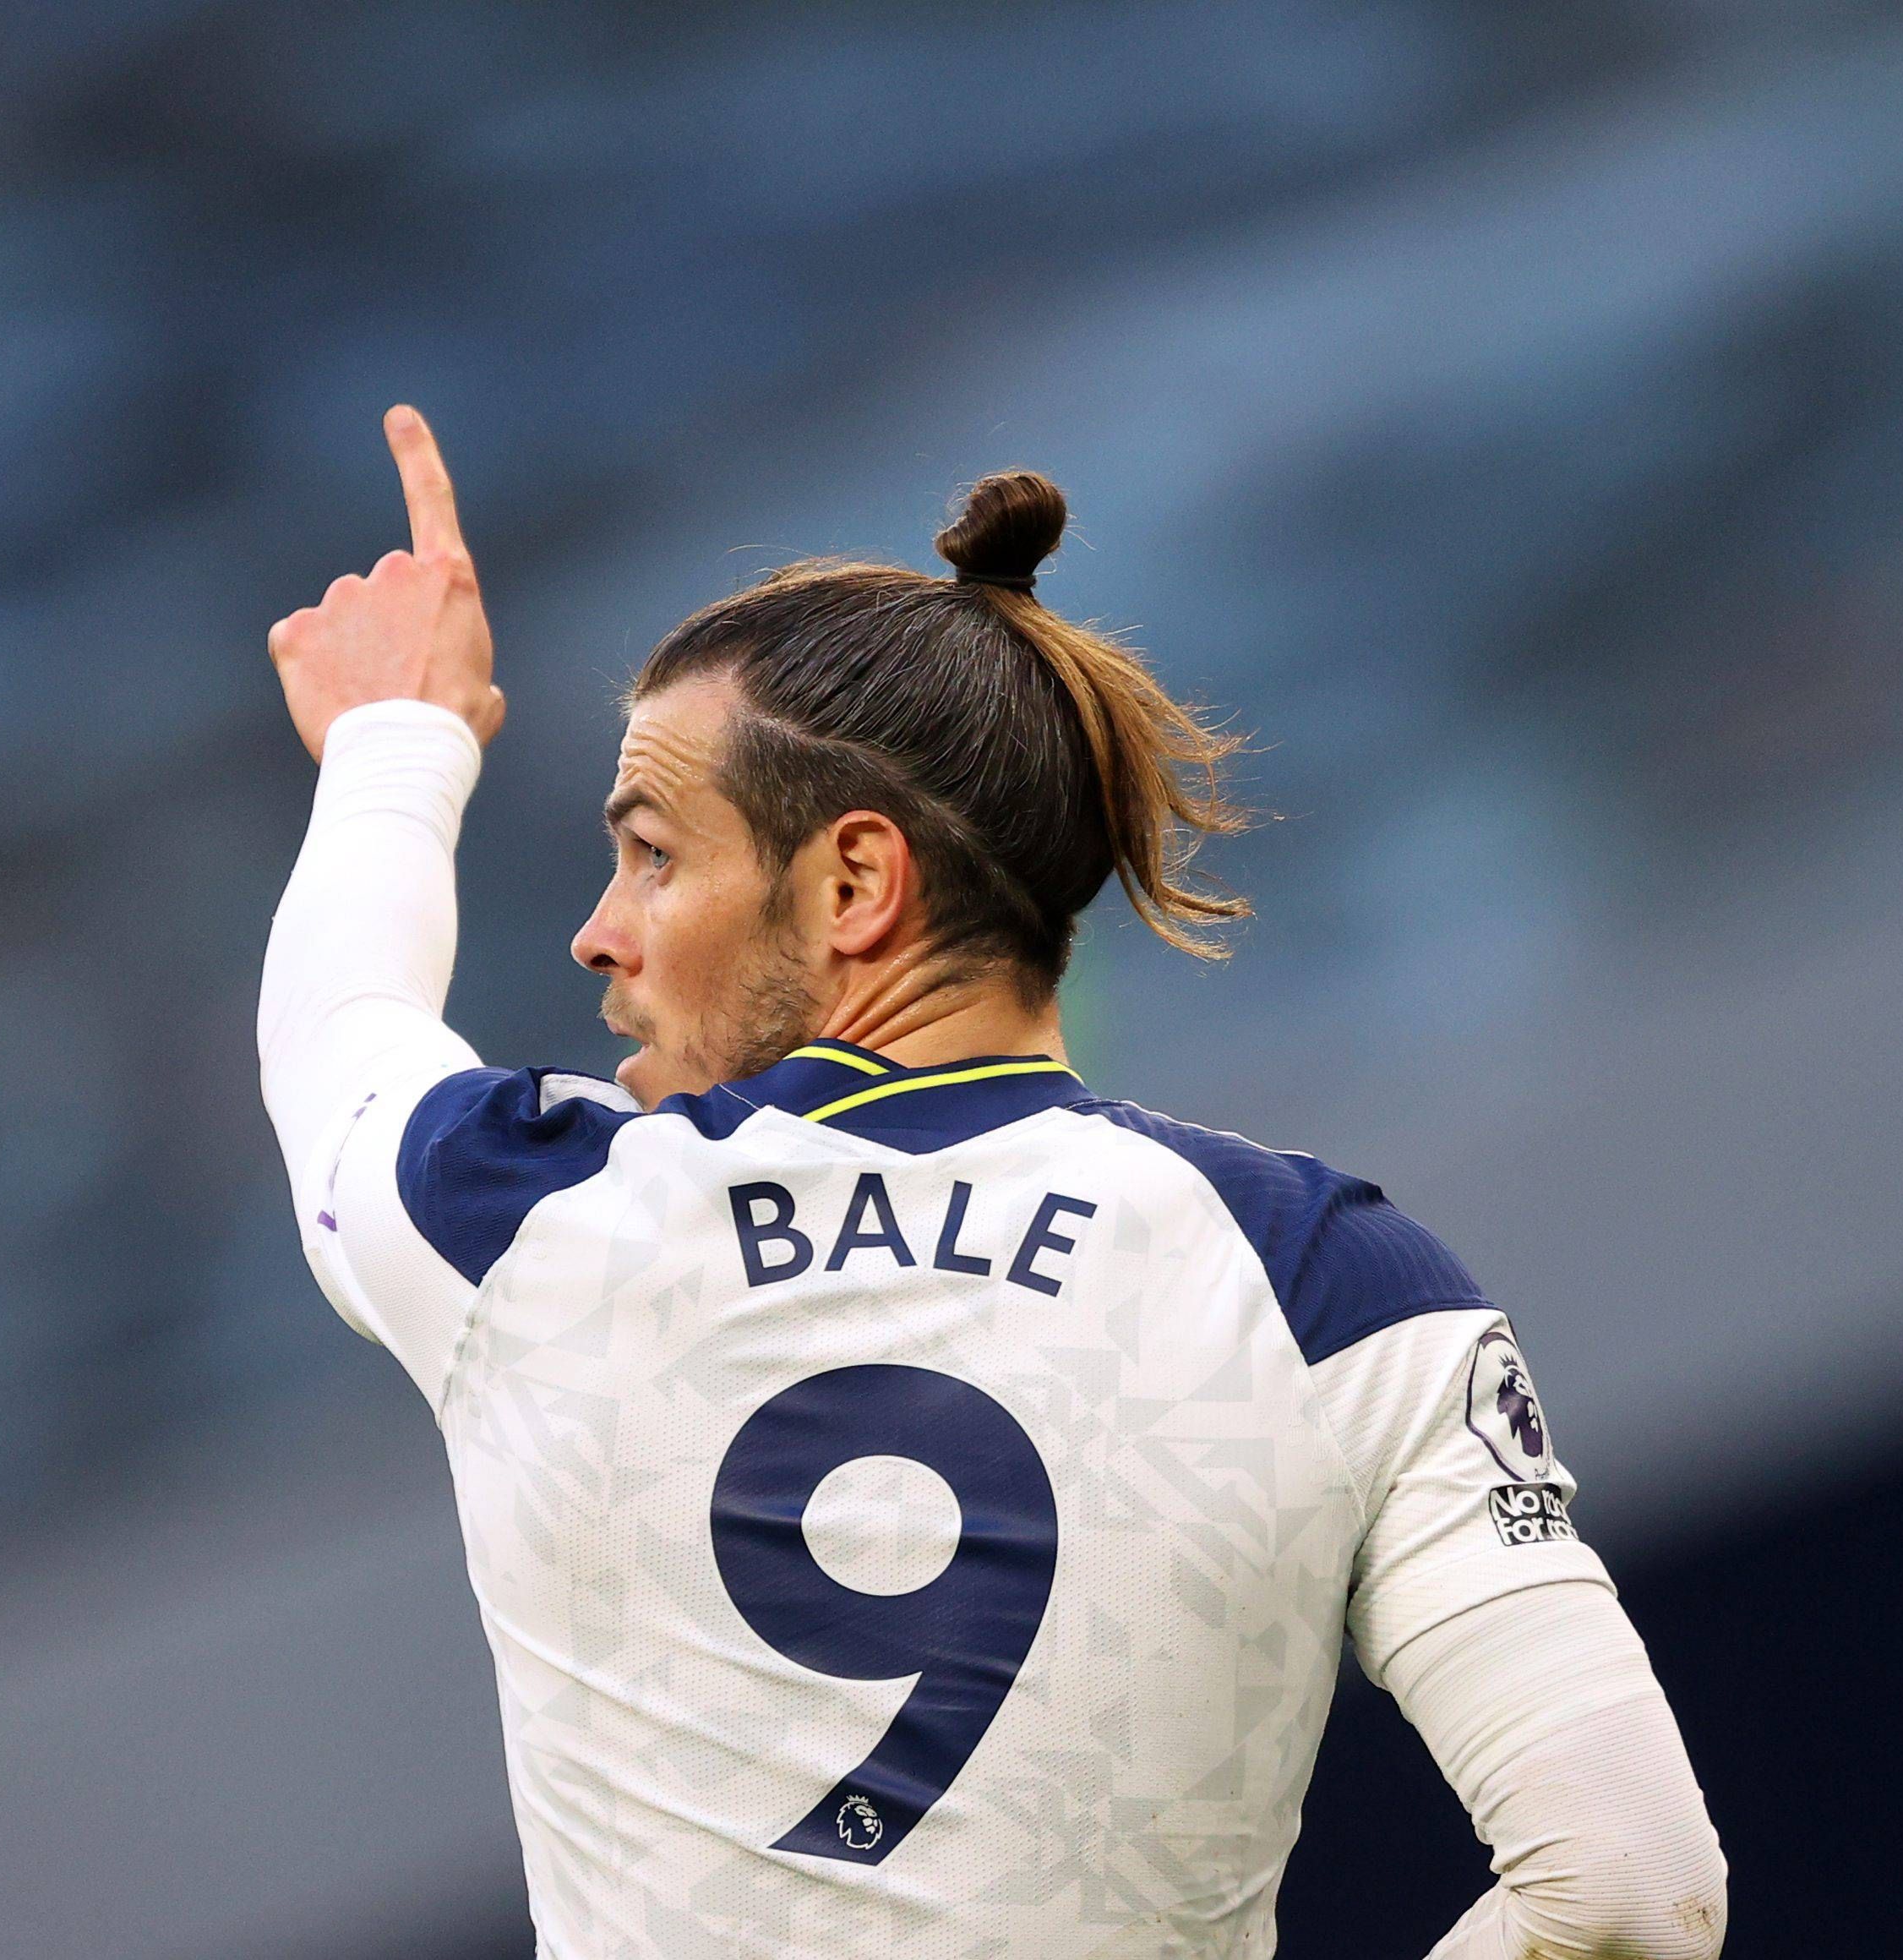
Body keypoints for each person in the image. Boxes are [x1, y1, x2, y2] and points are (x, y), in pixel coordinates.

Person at [259, 407, 1726, 1960]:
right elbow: (1630, 1884)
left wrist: (395, 742)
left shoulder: (533, 1225)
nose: (598, 932)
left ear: (852, 885)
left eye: (652, 855)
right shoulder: (1331, 1285)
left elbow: (336, 1037)